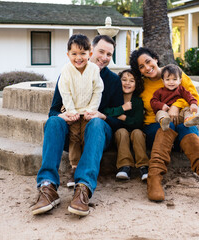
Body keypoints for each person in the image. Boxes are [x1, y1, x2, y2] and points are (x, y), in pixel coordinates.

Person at [31, 35, 123, 217]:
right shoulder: (67, 73)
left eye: (109, 54)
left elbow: (120, 119)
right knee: (54, 121)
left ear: (87, 53)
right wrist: (63, 115)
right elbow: (53, 110)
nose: (104, 57)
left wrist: (102, 115)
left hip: (97, 133)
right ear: (92, 51)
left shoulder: (113, 80)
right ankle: (47, 186)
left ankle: (83, 188)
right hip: (72, 129)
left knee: (96, 123)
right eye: (101, 52)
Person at [129, 47, 199, 202]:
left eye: (148, 61)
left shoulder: (174, 72)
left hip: (182, 122)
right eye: (141, 66)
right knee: (166, 126)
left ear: (155, 58)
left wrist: (176, 106)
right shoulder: (141, 85)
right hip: (156, 127)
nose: (147, 68)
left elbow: (192, 95)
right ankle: (154, 180)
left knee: (185, 127)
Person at [57, 34, 104, 188]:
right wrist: (70, 110)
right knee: (75, 138)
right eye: (74, 54)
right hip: (73, 112)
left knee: (86, 137)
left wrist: (92, 110)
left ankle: (86, 169)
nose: (79, 57)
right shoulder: (66, 70)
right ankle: (74, 168)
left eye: (83, 54)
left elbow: (97, 90)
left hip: (88, 112)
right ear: (68, 55)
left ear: (90, 54)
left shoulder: (94, 69)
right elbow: (65, 92)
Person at [103, 69, 149, 181]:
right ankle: (124, 167)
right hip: (119, 134)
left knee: (137, 133)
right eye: (124, 80)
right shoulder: (115, 98)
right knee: (121, 132)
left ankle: (144, 167)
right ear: (119, 81)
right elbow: (105, 111)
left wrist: (123, 117)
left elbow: (138, 122)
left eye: (131, 81)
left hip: (135, 131)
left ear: (136, 84)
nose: (127, 83)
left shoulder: (137, 101)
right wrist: (121, 109)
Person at [151, 64, 199, 131]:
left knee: (187, 109)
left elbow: (189, 96)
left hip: (179, 115)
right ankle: (164, 122)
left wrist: (193, 103)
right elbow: (153, 101)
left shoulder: (181, 89)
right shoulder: (159, 92)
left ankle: (188, 119)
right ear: (163, 81)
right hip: (166, 113)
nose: (171, 82)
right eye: (167, 79)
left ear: (180, 80)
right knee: (159, 113)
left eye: (174, 79)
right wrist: (162, 106)